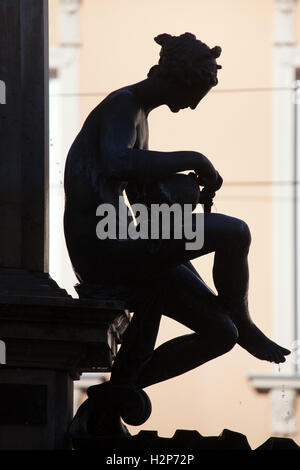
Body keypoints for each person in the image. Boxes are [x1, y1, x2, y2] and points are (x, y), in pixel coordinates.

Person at [65, 33, 290, 439]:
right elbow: (117, 162)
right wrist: (195, 159)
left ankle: (112, 398)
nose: (194, 104)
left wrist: (177, 191)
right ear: (180, 77)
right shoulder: (124, 104)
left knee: (221, 333)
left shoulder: (141, 117)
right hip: (103, 242)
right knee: (235, 232)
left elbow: (142, 194)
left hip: (127, 238)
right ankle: (244, 316)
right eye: (196, 92)